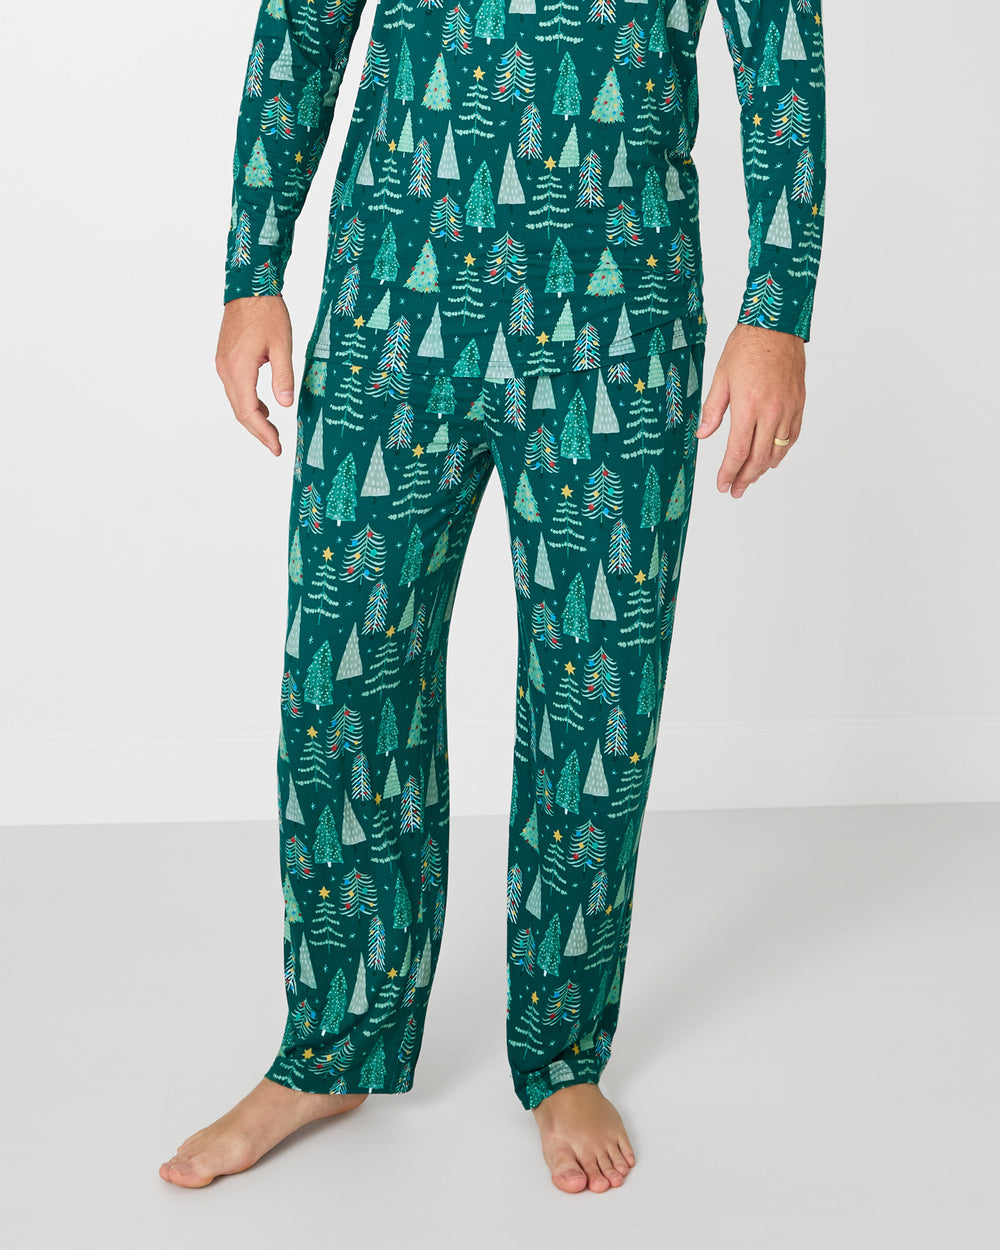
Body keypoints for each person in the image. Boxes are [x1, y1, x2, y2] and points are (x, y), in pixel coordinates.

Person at [161, 0, 826, 1193]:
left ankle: (564, 1054)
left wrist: (777, 309)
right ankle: (331, 1044)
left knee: (595, 700)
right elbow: (302, 27)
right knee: (343, 675)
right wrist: (251, 271)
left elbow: (779, 52)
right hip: (390, 298)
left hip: (620, 313)